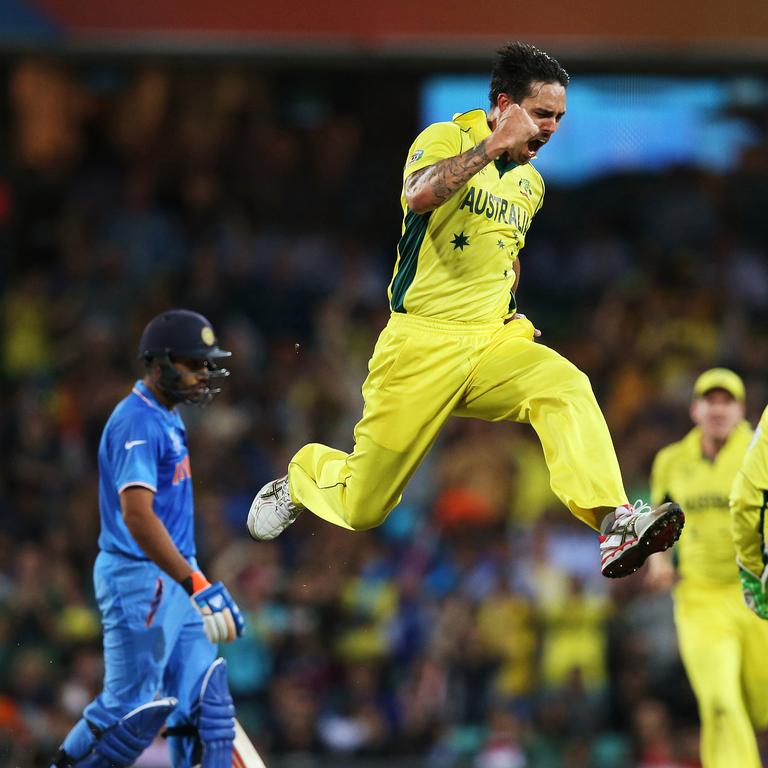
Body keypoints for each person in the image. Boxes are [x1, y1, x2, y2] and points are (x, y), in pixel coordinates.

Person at [247, 41, 683, 579]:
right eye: (542, 114)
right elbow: (418, 196)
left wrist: (507, 300)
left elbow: (505, 250)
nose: (550, 128)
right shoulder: (447, 138)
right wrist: (492, 146)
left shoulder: (531, 183)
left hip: (490, 341)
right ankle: (304, 474)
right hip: (421, 344)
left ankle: (613, 522)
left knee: (565, 386)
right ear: (504, 105)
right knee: (364, 508)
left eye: (559, 118)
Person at [51, 309, 245, 768]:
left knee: (206, 708)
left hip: (177, 575)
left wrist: (193, 578)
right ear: (157, 364)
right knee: (128, 712)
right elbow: (136, 516)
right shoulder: (135, 420)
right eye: (192, 364)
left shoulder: (166, 415)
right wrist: (194, 582)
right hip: (140, 580)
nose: (203, 374)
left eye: (205, 364)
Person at [647, 368, 768, 768]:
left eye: (727, 401)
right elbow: (658, 525)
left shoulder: (759, 452)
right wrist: (659, 563)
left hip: (754, 593)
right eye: (710, 401)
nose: (718, 409)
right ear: (694, 409)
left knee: (762, 706)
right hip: (699, 599)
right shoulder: (671, 460)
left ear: (742, 410)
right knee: (718, 701)